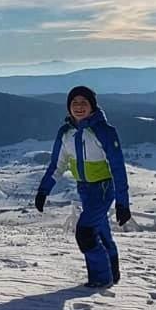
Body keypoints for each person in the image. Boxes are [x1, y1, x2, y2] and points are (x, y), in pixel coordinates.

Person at [34, 86, 131, 288]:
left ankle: (101, 279)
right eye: (74, 103)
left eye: (83, 103)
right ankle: (112, 273)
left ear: (92, 106)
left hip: (103, 189)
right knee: (101, 232)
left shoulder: (104, 131)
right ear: (68, 107)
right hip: (84, 189)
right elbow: (57, 165)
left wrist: (123, 203)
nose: (79, 107)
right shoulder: (66, 133)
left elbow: (118, 168)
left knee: (85, 233)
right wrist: (44, 190)